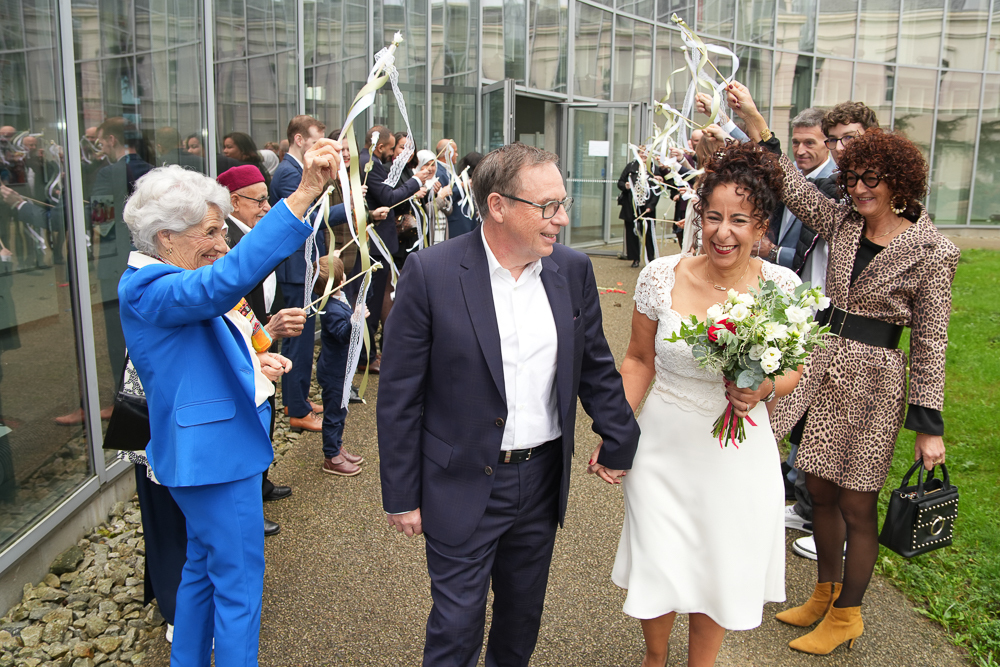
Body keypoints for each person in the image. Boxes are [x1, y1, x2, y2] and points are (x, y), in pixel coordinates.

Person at [377, 142, 640, 667]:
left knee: (521, 622)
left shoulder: (572, 270)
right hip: (459, 479)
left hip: (540, 480)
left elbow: (593, 364)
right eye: (548, 206)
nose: (562, 218)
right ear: (497, 206)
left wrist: (620, 438)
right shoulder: (431, 273)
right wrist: (401, 494)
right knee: (456, 629)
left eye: (562, 203)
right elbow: (400, 395)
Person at [728, 82, 959, 655]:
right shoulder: (844, 223)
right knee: (820, 490)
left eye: (869, 180)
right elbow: (790, 184)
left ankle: (849, 613)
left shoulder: (934, 251)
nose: (857, 189)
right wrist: (757, 126)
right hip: (824, 365)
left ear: (899, 182)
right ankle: (824, 594)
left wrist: (928, 425)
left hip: (877, 381)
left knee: (857, 501)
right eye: (852, 179)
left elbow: (932, 340)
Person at [118, 139, 341, 666]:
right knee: (239, 588)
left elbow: (197, 354)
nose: (222, 244)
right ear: (166, 237)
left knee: (200, 572)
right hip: (216, 458)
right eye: (212, 232)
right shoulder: (149, 286)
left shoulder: (160, 281)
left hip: (209, 454)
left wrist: (256, 360)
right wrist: (304, 193)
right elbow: (222, 285)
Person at [610, 141, 802, 667]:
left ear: (762, 226)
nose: (723, 232)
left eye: (739, 220)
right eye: (713, 216)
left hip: (737, 453)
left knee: (719, 561)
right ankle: (654, 659)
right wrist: (617, 430)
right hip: (662, 446)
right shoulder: (660, 276)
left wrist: (763, 389)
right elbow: (639, 360)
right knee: (658, 554)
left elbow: (792, 369)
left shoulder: (781, 287)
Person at [219, 164, 319, 535]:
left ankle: (260, 484)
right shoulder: (228, 242)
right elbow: (231, 304)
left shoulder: (250, 233)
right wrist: (266, 331)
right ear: (233, 202)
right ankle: (247, 509)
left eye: (268, 199)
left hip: (259, 344)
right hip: (246, 348)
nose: (266, 207)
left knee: (265, 414)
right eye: (259, 200)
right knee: (247, 427)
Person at [350, 126, 433, 374]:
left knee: (375, 299)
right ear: (381, 147)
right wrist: (416, 182)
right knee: (370, 302)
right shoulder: (371, 165)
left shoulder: (372, 163)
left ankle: (368, 353)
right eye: (392, 148)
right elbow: (388, 196)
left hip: (380, 243)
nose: (392, 153)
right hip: (375, 245)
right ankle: (365, 356)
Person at [269, 115, 329, 432]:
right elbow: (308, 216)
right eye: (316, 142)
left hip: (303, 265)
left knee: (302, 340)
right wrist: (349, 207)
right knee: (297, 341)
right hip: (294, 267)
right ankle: (296, 408)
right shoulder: (289, 173)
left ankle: (298, 400)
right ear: (299, 140)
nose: (320, 148)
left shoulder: (296, 170)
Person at [315, 255, 364, 476]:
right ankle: (331, 456)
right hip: (334, 372)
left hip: (340, 369)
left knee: (341, 410)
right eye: (342, 272)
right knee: (334, 414)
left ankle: (337, 446)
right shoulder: (331, 310)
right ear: (340, 282)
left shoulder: (336, 298)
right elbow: (343, 335)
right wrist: (355, 320)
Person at [617, 144, 660, 268]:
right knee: (632, 233)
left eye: (646, 152)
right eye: (641, 152)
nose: (643, 155)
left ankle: (650, 258)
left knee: (648, 233)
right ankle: (635, 258)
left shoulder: (654, 169)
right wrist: (625, 186)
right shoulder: (631, 166)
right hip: (631, 207)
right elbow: (620, 182)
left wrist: (651, 206)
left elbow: (657, 190)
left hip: (647, 208)